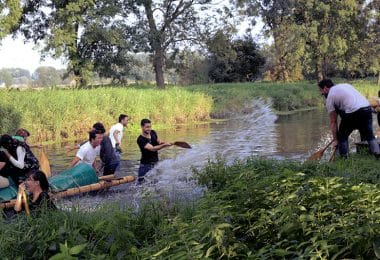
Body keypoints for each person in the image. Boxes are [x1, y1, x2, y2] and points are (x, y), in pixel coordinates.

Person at [318, 79, 380, 158]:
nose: (321, 93)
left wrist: (336, 140)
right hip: (367, 108)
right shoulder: (345, 85)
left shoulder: (330, 97)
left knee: (342, 136)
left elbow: (333, 122)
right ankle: (377, 155)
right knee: (370, 136)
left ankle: (344, 158)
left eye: (321, 91)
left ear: (325, 88)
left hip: (353, 111)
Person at [137, 119, 172, 184]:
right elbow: (152, 148)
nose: (149, 129)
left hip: (155, 163)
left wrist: (166, 143)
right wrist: (164, 145)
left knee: (155, 183)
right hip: (145, 165)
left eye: (150, 127)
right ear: (142, 127)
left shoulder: (153, 132)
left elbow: (158, 141)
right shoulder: (140, 139)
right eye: (147, 127)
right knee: (141, 184)